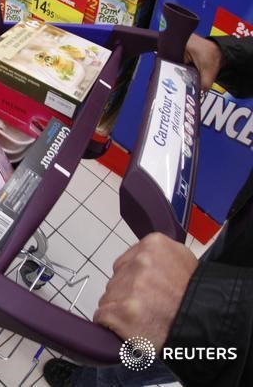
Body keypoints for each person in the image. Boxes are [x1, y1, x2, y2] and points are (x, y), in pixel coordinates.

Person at [44, 34, 253, 387]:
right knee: (154, 341)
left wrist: (211, 312)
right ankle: (97, 379)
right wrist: (228, 56)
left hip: (232, 311)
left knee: (189, 341)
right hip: (241, 251)